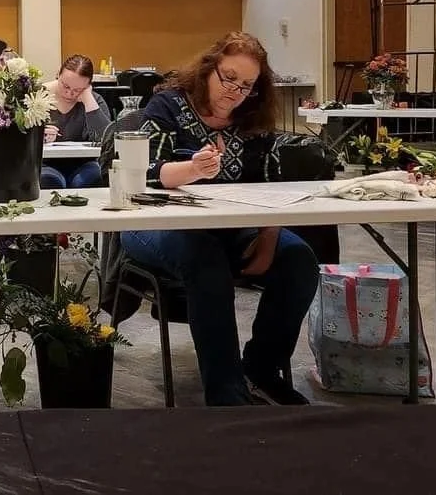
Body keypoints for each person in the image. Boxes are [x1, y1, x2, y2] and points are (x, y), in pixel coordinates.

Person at [118, 31, 319, 406]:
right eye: (229, 78)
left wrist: (268, 240)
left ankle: (261, 370)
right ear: (208, 69)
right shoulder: (169, 104)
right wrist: (192, 170)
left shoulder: (252, 118)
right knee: (205, 260)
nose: (235, 92)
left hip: (228, 227)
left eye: (246, 86)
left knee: (299, 259)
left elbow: (269, 188)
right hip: (152, 222)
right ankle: (227, 394)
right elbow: (142, 173)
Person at [39, 54, 110, 188]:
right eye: (65, 86)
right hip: (45, 163)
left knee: (93, 178)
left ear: (88, 86)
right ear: (58, 75)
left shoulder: (94, 100)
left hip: (85, 163)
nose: (69, 93)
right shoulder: (38, 95)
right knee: (49, 180)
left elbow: (106, 141)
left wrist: (88, 99)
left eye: (77, 90)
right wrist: (38, 135)